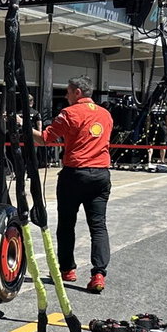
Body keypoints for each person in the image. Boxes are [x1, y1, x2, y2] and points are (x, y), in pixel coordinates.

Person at [41, 77, 114, 292]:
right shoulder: (105, 114)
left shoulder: (69, 113)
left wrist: (22, 128)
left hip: (75, 174)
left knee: (66, 224)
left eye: (68, 92)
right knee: (98, 226)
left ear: (78, 92)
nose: (66, 96)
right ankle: (99, 273)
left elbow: (46, 138)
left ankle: (68, 269)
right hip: (101, 174)